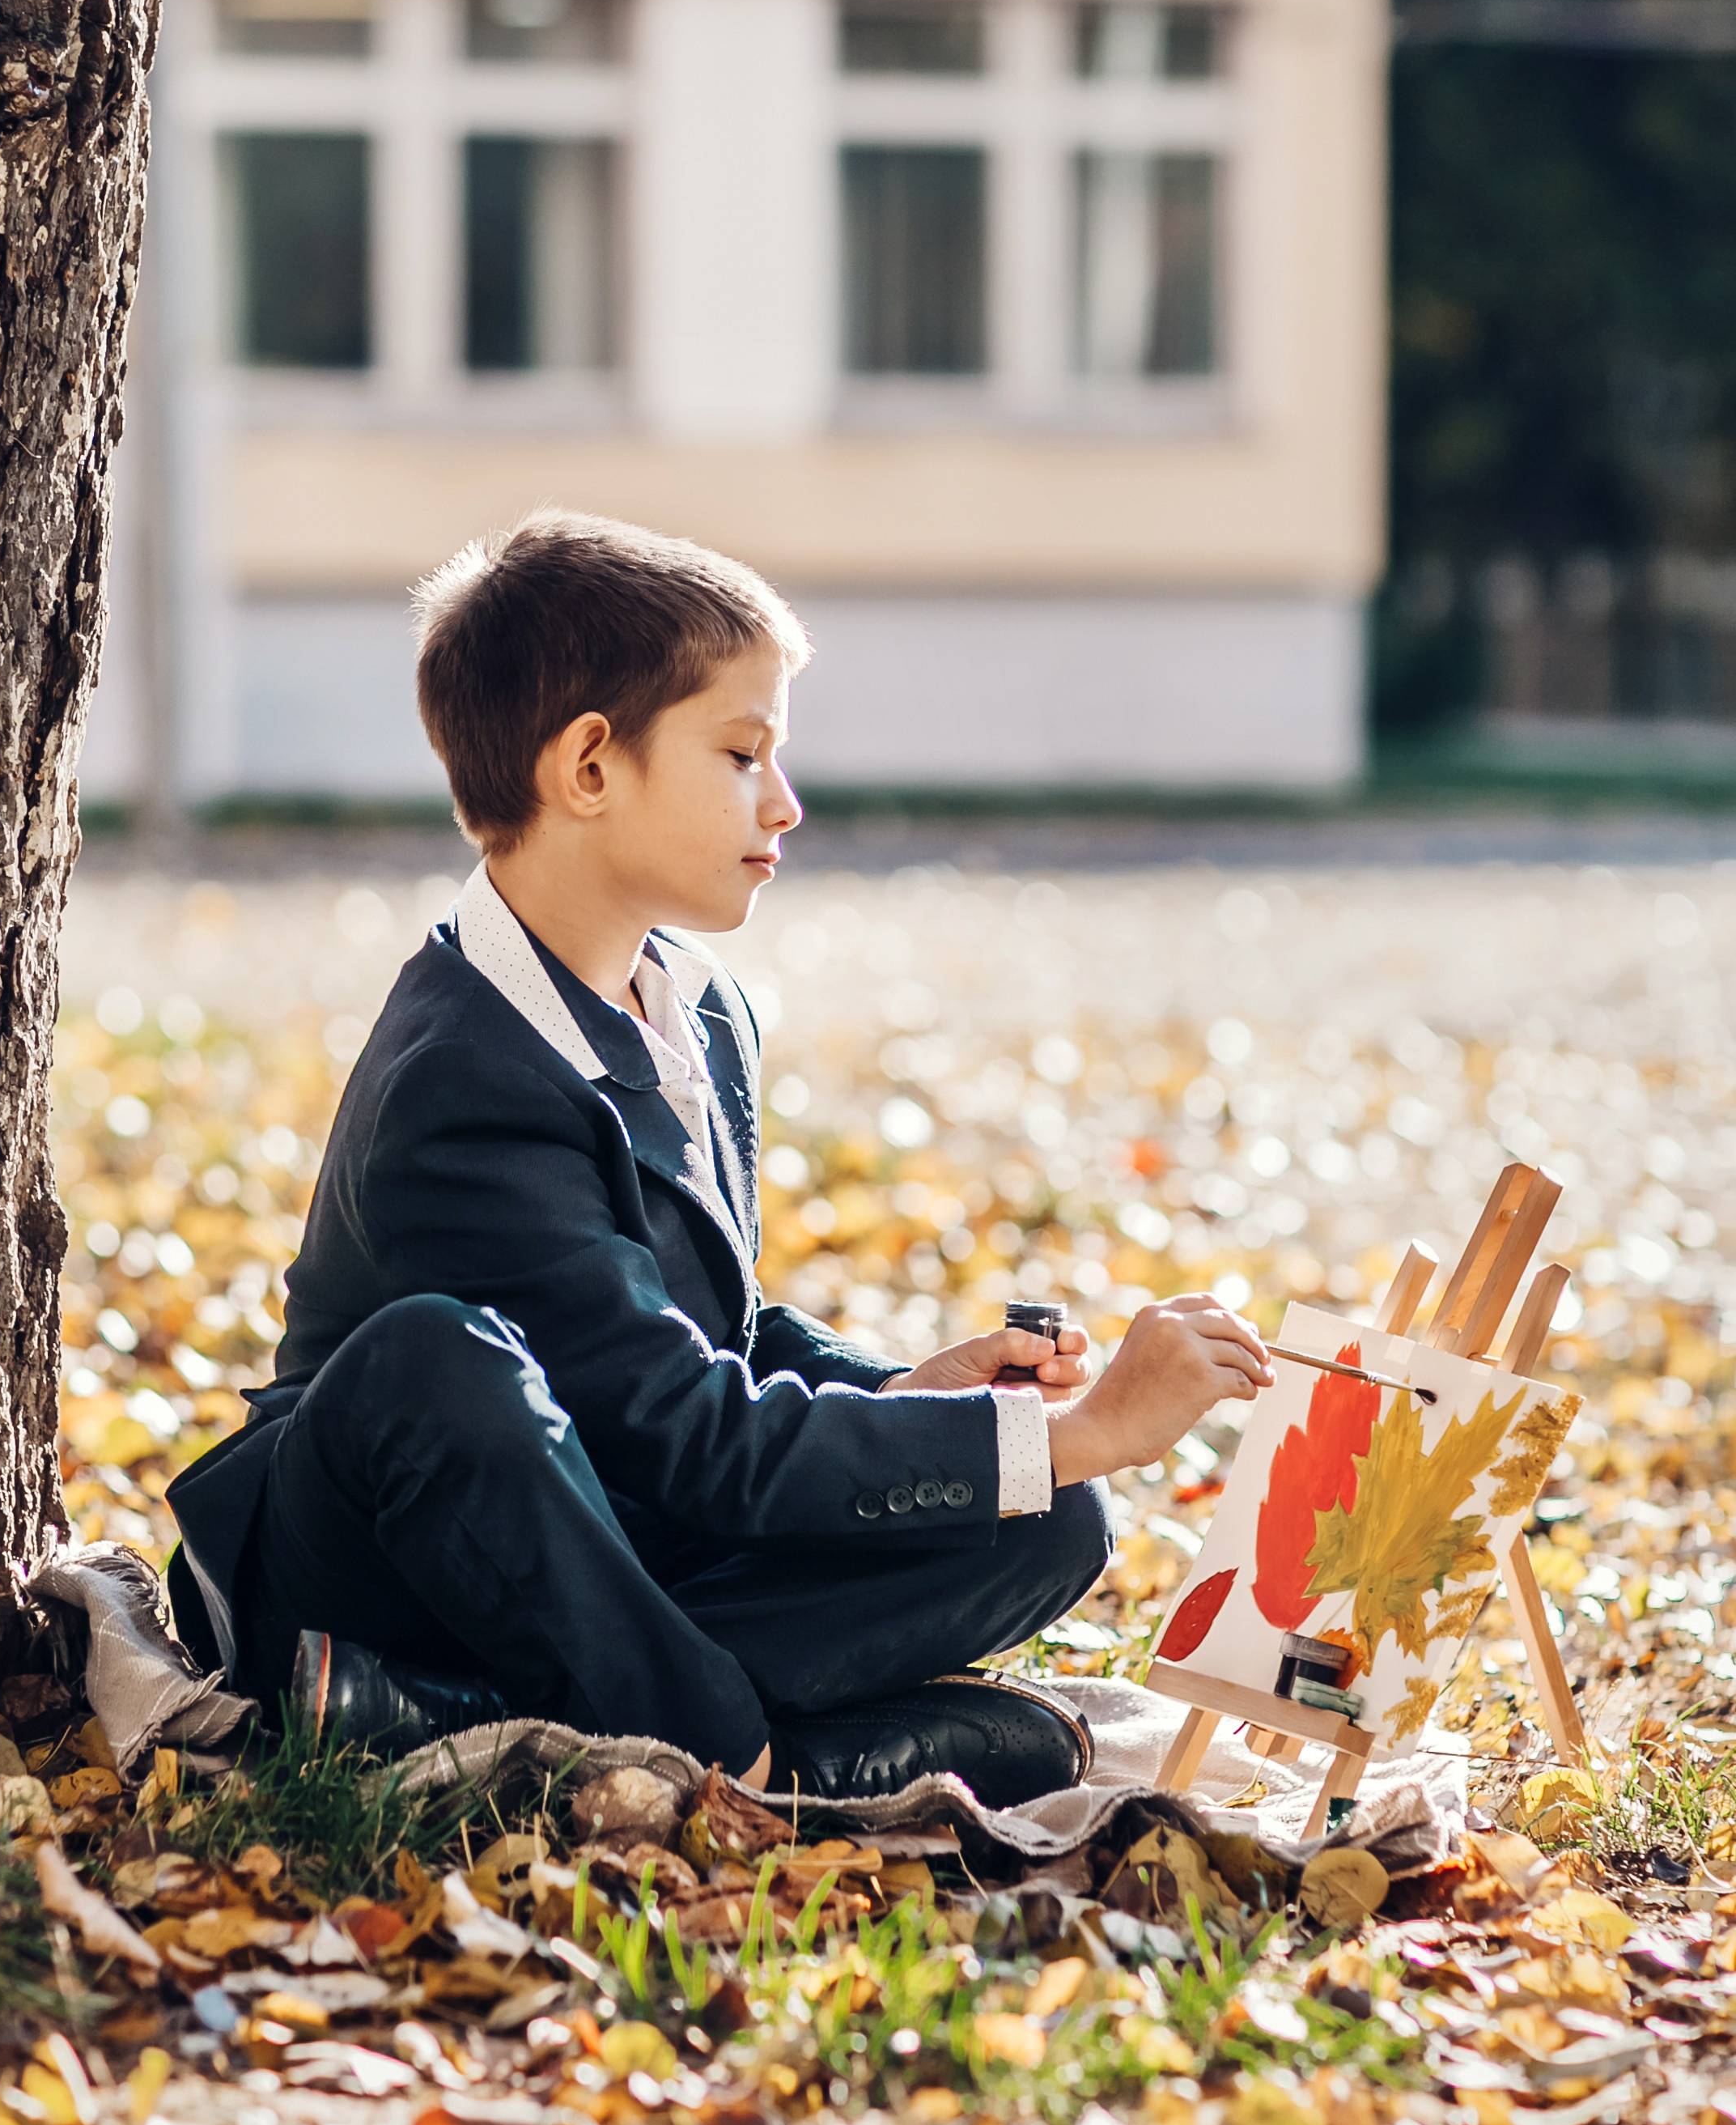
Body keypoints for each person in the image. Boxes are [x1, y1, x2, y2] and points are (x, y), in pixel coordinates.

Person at [167, 510, 1274, 1804]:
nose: (785, 800)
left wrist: (919, 1397)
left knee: (1046, 1509)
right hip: (395, 1562)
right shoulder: (466, 1080)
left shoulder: (695, 1000)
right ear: (590, 767)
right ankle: (749, 1755)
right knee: (436, 1355)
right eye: (743, 753)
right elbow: (693, 1438)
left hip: (623, 1514)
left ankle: (482, 1716)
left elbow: (708, 1337)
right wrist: (1088, 1426)